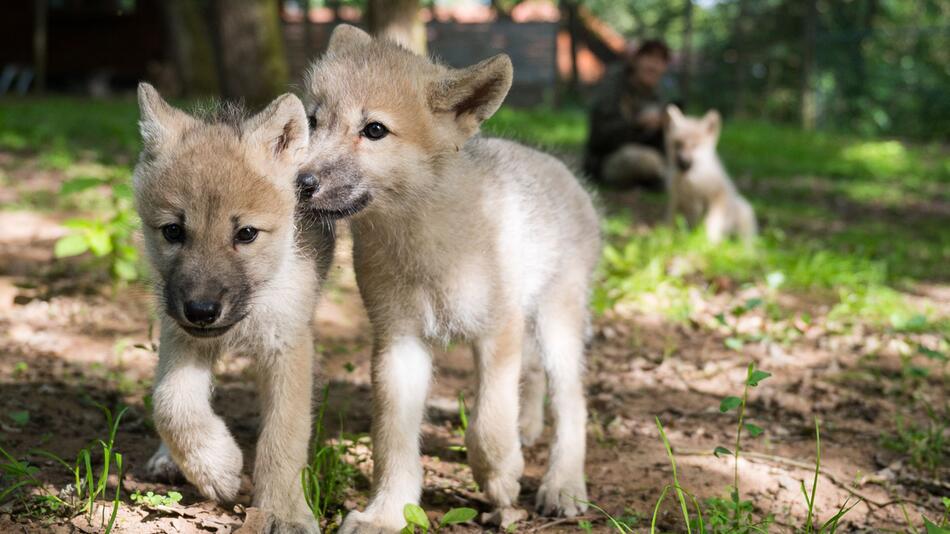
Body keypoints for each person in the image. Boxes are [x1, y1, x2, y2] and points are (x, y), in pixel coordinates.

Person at [584, 39, 671, 188]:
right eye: (649, 58)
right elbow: (600, 136)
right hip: (607, 160)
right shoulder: (612, 85)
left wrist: (663, 126)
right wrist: (637, 123)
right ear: (636, 60)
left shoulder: (660, 95)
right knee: (645, 161)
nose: (654, 66)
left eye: (660, 61)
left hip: (646, 155)